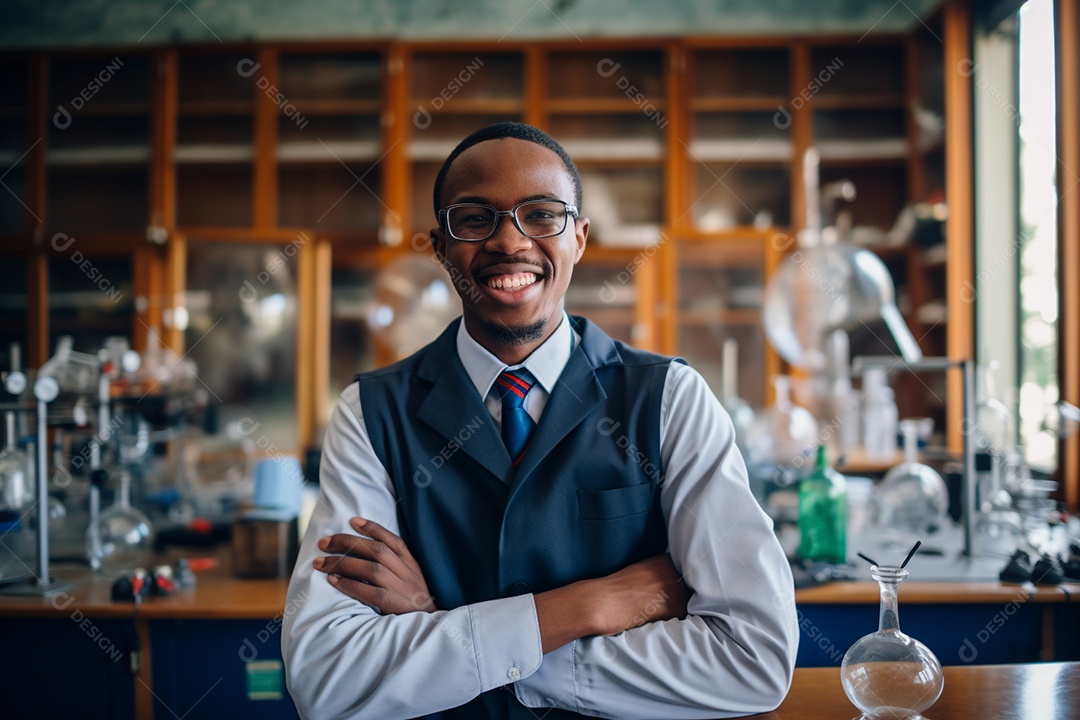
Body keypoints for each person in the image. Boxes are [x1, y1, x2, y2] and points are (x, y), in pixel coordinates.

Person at [283, 122, 798, 719]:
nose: (509, 241)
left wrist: (449, 636)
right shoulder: (371, 412)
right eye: (475, 218)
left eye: (542, 214)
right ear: (439, 245)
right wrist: (587, 605)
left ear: (578, 238)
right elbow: (327, 679)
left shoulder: (669, 398)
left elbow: (753, 660)